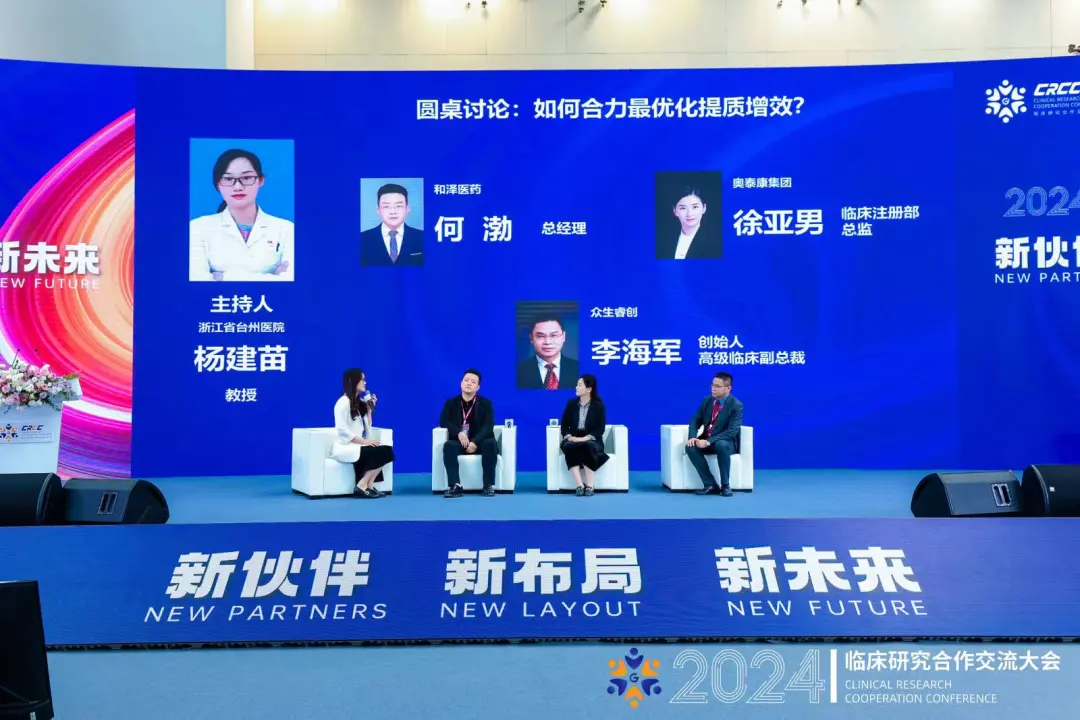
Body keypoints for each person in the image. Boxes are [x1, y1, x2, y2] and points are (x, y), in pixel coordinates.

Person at [189, 148, 295, 282]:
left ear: (261, 181)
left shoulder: (287, 229)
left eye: (246, 178)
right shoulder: (197, 228)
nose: (238, 187)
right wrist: (273, 278)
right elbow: (197, 280)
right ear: (218, 185)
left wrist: (224, 277)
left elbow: (291, 279)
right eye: (228, 179)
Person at [331, 368, 394, 498]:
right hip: (345, 446)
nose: (365, 382)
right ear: (353, 381)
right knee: (376, 451)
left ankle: (368, 484)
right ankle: (361, 485)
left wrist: (369, 410)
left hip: (358, 445)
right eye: (362, 380)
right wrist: (364, 442)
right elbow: (342, 430)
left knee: (387, 450)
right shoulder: (342, 403)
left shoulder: (360, 404)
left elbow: (367, 430)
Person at [440, 369, 497, 498]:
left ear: (478, 387)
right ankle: (455, 486)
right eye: (466, 380)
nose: (469, 383)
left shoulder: (486, 403)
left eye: (473, 382)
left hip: (480, 442)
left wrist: (475, 441)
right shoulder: (451, 403)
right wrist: (459, 433)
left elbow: (488, 425)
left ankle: (488, 485)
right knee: (449, 446)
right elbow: (444, 421)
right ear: (461, 383)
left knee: (490, 443)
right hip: (460, 442)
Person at [686, 371, 743, 496]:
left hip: (726, 443)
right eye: (712, 385)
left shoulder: (736, 405)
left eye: (717, 386)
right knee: (690, 446)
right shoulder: (707, 401)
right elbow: (695, 420)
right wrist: (692, 437)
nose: (713, 388)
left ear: (728, 388)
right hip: (708, 439)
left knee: (721, 444)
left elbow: (731, 431)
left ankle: (725, 485)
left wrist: (708, 442)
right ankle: (710, 484)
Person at [559, 374, 609, 496]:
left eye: (580, 385)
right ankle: (580, 485)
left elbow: (600, 429)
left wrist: (583, 439)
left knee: (587, 446)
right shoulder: (571, 404)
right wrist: (569, 437)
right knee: (568, 446)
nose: (576, 387)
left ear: (589, 389)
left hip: (591, 438)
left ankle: (590, 485)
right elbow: (564, 425)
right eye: (577, 385)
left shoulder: (598, 406)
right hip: (573, 437)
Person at [360, 183, 425, 266]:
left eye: (399, 206)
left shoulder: (423, 237)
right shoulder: (362, 239)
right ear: (378, 210)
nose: (393, 211)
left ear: (407, 208)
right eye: (386, 206)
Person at [656, 185, 722, 260]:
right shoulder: (663, 239)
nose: (689, 214)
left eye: (695, 207)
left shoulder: (716, 242)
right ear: (675, 211)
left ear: (704, 208)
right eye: (683, 208)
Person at [516, 316, 579, 390]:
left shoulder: (580, 368)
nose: (547, 342)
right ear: (531, 338)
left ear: (563, 337)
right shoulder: (517, 371)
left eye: (554, 335)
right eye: (540, 336)